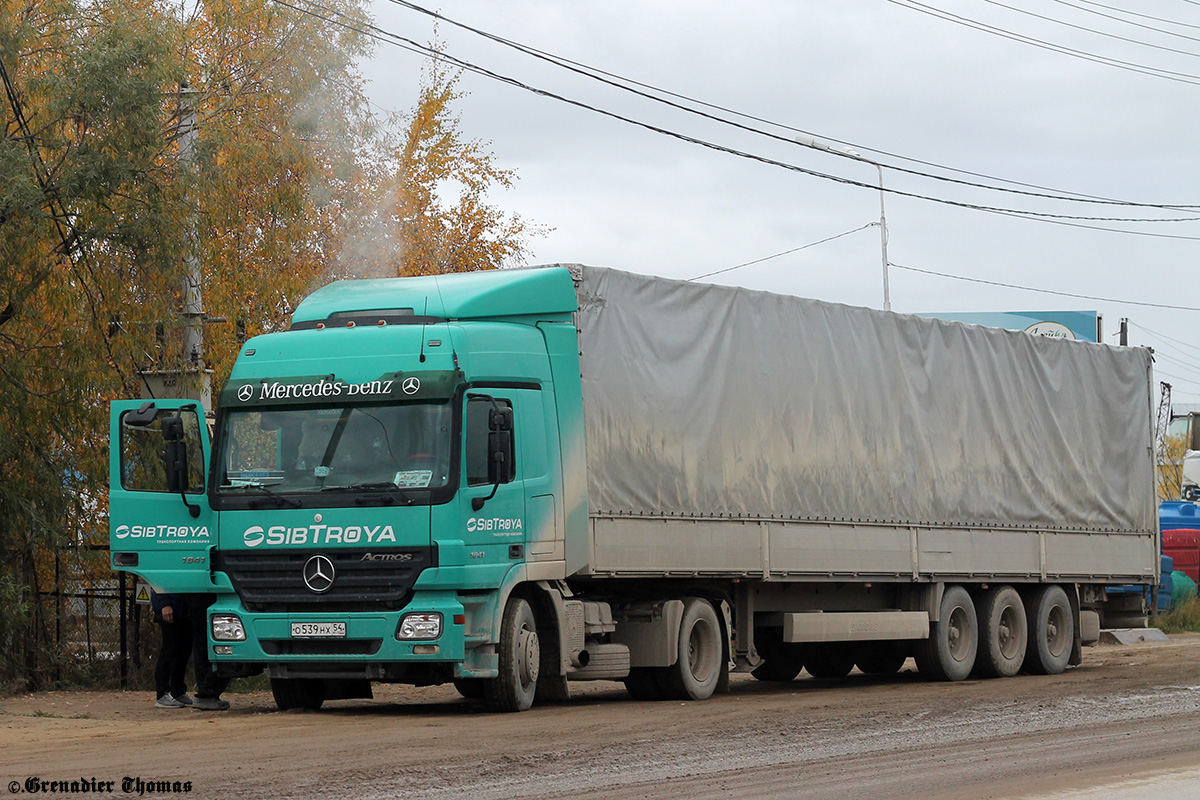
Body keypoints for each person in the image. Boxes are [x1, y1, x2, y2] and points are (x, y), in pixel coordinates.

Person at [188, 593, 231, 711]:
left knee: (201, 648)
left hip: (197, 603)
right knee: (219, 645)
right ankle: (207, 691)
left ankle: (205, 691)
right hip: (211, 601)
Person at [150, 590, 192, 709]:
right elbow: (157, 581)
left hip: (183, 607)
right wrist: (165, 604)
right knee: (169, 649)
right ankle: (162, 693)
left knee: (184, 650)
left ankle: (177, 691)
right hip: (170, 607)